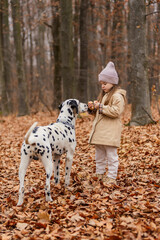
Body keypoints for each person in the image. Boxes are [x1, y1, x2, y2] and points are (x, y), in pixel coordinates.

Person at [88, 61, 126, 185]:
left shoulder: (117, 96)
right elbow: (100, 114)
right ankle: (99, 173)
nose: (103, 86)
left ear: (113, 82)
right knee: (99, 155)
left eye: (105, 83)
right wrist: (93, 108)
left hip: (110, 132)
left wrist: (101, 107)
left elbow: (116, 112)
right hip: (101, 133)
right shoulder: (104, 96)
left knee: (111, 156)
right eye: (101, 84)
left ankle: (111, 176)